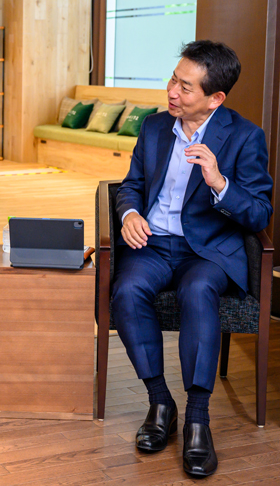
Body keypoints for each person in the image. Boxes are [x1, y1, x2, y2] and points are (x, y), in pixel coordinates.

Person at [112, 41, 272, 478]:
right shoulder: (155, 127)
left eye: (185, 87)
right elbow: (130, 184)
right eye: (173, 79)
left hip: (208, 250)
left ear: (215, 98)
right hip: (155, 243)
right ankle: (160, 403)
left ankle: (197, 417)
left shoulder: (244, 136)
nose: (172, 92)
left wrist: (220, 182)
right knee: (125, 291)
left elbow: (259, 211)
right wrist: (128, 213)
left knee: (198, 290)